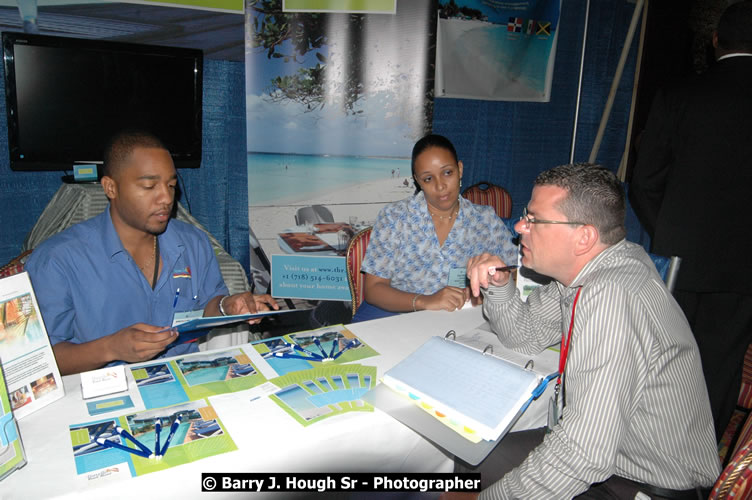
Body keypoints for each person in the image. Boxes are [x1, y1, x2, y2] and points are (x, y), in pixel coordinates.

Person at [459, 164, 719, 499]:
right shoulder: (588, 272)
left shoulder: (612, 294)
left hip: (646, 485)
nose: (520, 227)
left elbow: (582, 454)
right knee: (469, 456)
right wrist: (499, 285)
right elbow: (525, 336)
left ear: (584, 237)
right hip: (611, 458)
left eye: (534, 219)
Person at [25, 130, 277, 375]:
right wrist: (110, 348)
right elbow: (38, 363)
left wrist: (226, 306)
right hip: (102, 394)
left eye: (171, 185)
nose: (166, 198)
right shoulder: (56, 260)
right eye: (149, 186)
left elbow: (206, 310)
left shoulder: (193, 242)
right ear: (111, 188)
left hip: (186, 381)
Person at [629, 1, 752, 440]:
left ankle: (651, 451)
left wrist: (669, 235)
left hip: (681, 257)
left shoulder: (679, 95)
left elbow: (643, 182)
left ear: (716, 41)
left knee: (665, 355)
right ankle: (700, 466)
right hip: (744, 267)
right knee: (721, 364)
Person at [354, 134, 517, 322]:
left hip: (458, 318)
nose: (440, 186)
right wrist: (425, 301)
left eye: (447, 172)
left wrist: (489, 291)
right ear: (417, 181)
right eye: (429, 178)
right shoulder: (394, 217)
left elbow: (514, 273)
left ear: (460, 169)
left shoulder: (484, 220)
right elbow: (374, 290)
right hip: (394, 315)